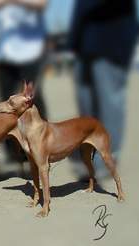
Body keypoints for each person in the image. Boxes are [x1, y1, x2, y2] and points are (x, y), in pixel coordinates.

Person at [69, 0, 137, 179]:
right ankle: (88, 161)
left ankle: (107, 160)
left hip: (111, 42)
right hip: (84, 46)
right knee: (86, 106)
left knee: (109, 105)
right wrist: (73, 43)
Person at [0, 0, 48, 164]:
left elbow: (41, 4)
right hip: (4, 55)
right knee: (7, 103)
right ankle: (14, 153)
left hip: (31, 53)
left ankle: (42, 145)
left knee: (33, 100)